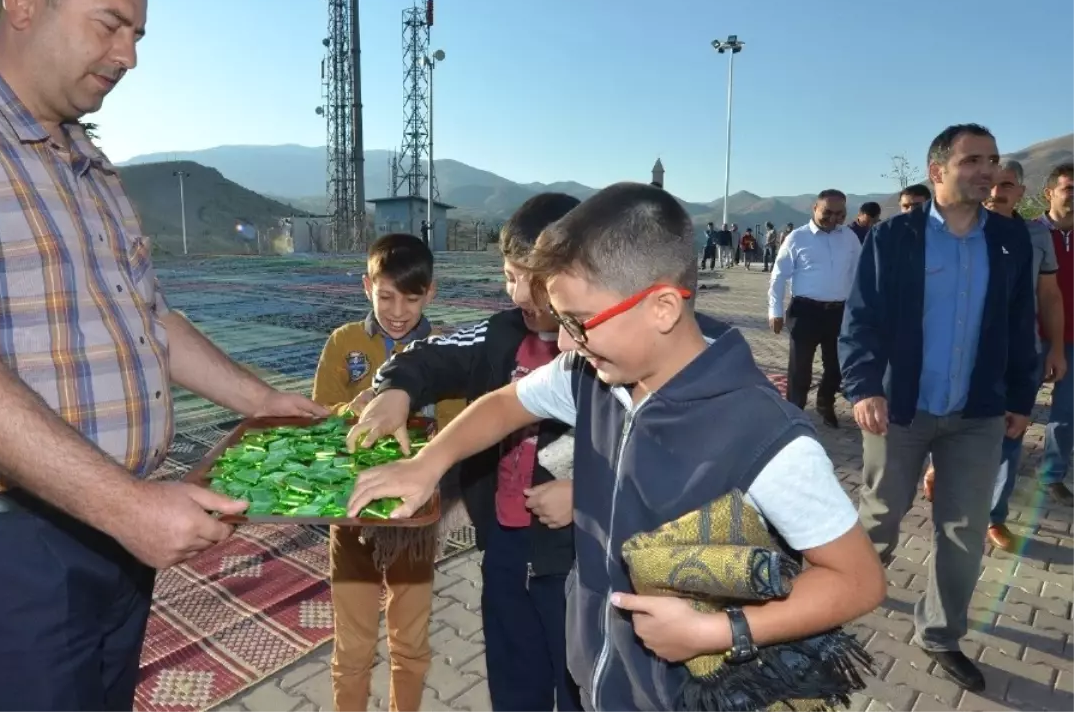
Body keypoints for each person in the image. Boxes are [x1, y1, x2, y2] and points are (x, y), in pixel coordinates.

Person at [0, 0, 326, 710]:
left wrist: (260, 400)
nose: (129, 56)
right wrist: (125, 506)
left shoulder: (88, 161)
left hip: (106, 532)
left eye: (138, 34)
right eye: (110, 25)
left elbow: (148, 318)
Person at [347, 183, 886, 711]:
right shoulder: (591, 376)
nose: (562, 343)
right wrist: (427, 463)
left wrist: (720, 631)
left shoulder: (765, 435)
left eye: (578, 323)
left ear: (662, 308)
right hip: (596, 677)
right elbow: (505, 404)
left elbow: (857, 580)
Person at [350, 193, 585, 712]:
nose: (519, 292)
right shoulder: (501, 333)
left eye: (534, 279)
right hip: (503, 542)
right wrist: (396, 390)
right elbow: (428, 355)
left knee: (576, 680)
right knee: (513, 671)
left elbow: (641, 453)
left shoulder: (600, 351)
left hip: (573, 559)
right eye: (508, 275)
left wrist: (583, 494)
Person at [840, 124, 1035, 691]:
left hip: (977, 413)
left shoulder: (1009, 239)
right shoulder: (894, 238)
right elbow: (861, 321)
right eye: (973, 159)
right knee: (880, 518)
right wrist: (863, 387)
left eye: (992, 160)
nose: (987, 170)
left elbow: (1019, 323)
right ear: (937, 170)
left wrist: (1021, 397)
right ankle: (832, 608)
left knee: (965, 529)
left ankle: (942, 634)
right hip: (899, 409)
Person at [311, 233, 463, 712]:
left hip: (413, 519)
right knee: (353, 647)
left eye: (412, 298)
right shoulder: (344, 343)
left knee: (411, 643)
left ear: (431, 293)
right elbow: (318, 419)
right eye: (386, 296)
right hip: (353, 517)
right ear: (366, 288)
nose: (398, 310)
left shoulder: (447, 351)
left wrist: (426, 422)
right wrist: (345, 410)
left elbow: (461, 429)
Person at [922, 160, 1065, 550]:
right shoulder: (959, 229)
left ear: (1021, 193)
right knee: (954, 422)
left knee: (1012, 433)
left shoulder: (1035, 236)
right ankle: (941, 470)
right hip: (962, 354)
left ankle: (994, 517)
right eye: (993, 184)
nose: (997, 192)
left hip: (1020, 356)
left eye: (1007, 186)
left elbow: (1049, 296)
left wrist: (1054, 347)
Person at [768, 190, 862, 428]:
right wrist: (775, 311)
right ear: (814, 209)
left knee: (836, 366)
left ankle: (825, 402)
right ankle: (794, 413)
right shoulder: (797, 238)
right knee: (800, 369)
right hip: (805, 312)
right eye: (827, 213)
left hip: (839, 313)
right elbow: (779, 276)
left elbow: (859, 273)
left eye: (839, 214)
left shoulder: (850, 238)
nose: (833, 219)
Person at [1036, 162, 1074, 505]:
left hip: (1073, 340)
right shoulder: (1030, 233)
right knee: (1008, 409)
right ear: (1049, 192)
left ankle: (1052, 475)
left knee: (1066, 414)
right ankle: (987, 474)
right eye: (1070, 188)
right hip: (1031, 339)